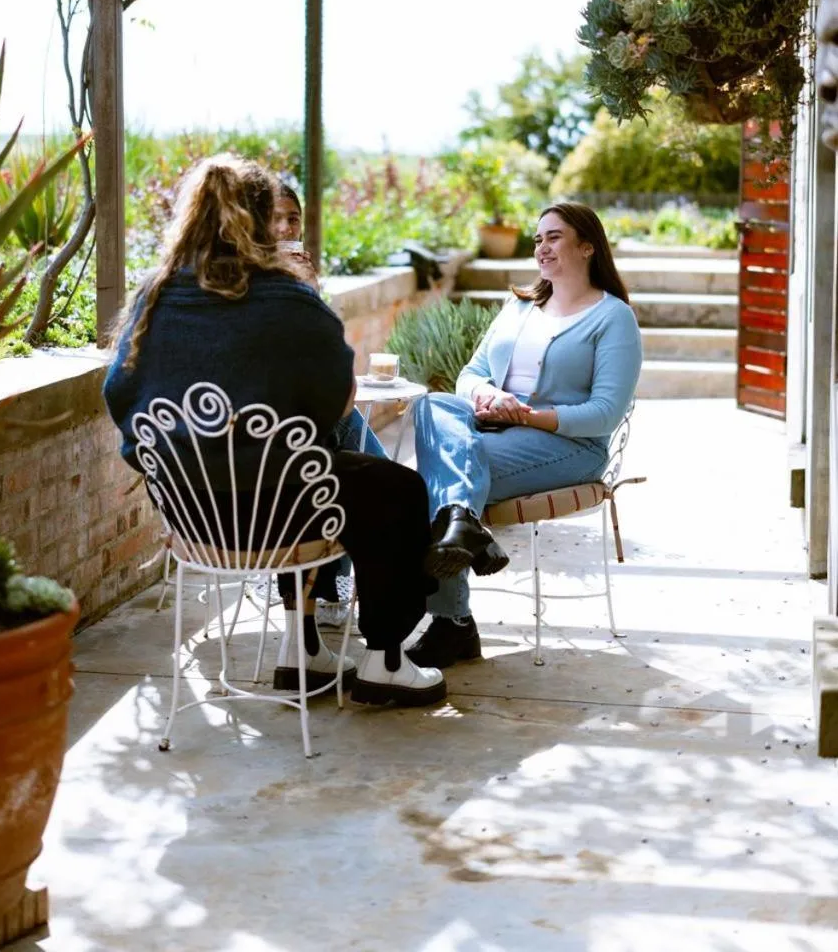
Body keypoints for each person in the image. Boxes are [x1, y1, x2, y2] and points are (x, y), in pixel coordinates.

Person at [104, 154, 445, 707]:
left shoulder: (154, 296)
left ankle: (302, 648)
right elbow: (336, 403)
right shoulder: (285, 299)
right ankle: (384, 660)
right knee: (395, 490)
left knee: (299, 468)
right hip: (279, 518)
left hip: (193, 518)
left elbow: (120, 398)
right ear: (261, 223)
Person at [408, 202, 643, 669]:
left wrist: (528, 417)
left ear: (587, 246)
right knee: (433, 405)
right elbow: (469, 375)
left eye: (554, 237)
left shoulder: (613, 319)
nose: (542, 247)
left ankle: (452, 623)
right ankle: (463, 527)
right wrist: (492, 396)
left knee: (433, 480)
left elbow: (604, 413)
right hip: (492, 428)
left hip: (569, 448)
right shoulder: (519, 306)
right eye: (537, 239)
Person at [270, 178, 385, 626]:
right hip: (269, 463)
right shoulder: (248, 290)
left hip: (273, 450)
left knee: (338, 434)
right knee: (346, 448)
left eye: (292, 219)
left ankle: (331, 582)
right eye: (273, 219)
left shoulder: (291, 285)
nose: (284, 228)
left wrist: (306, 289)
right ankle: (379, 564)